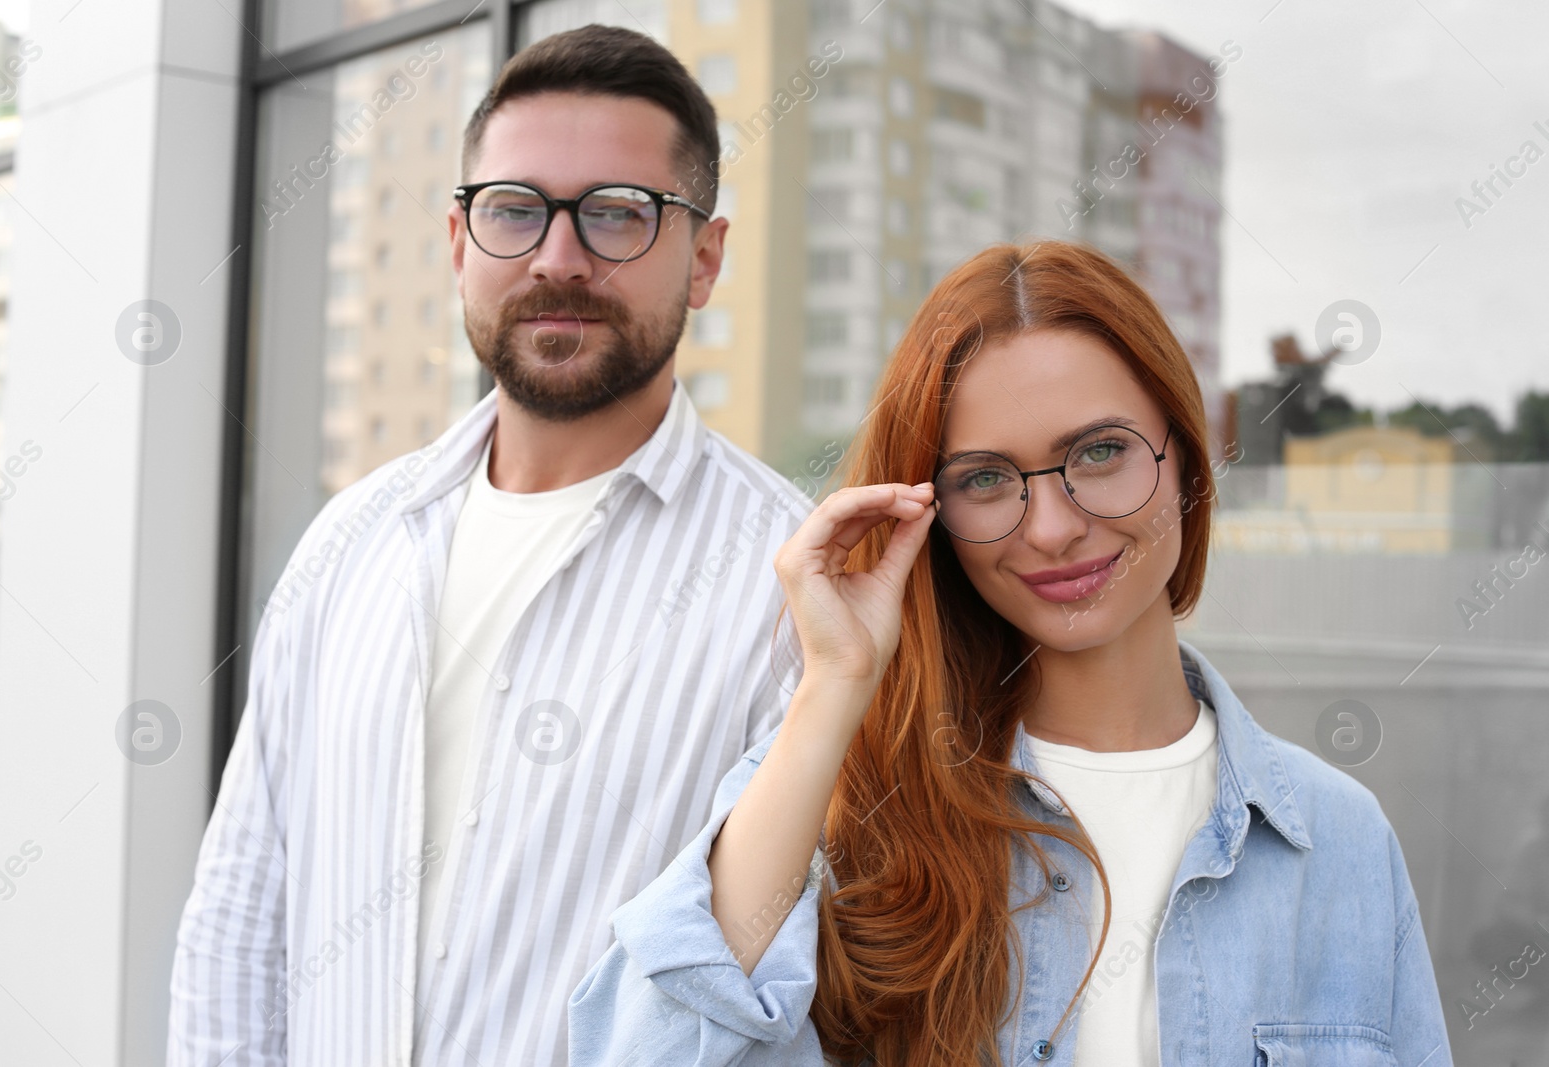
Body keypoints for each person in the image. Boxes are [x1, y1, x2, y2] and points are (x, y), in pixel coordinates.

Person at [569, 240, 1453, 1066]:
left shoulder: (1337, 841)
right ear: (933, 513)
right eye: (986, 479)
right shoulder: (844, 802)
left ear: (1185, 455)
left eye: (1101, 453)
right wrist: (835, 682)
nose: (1057, 527)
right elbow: (642, 1046)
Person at [167, 25, 811, 1067]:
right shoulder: (351, 541)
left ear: (704, 258)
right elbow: (241, 917)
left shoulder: (789, 587)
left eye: (616, 215)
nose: (559, 259)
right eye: (516, 211)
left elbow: (783, 978)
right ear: (462, 242)